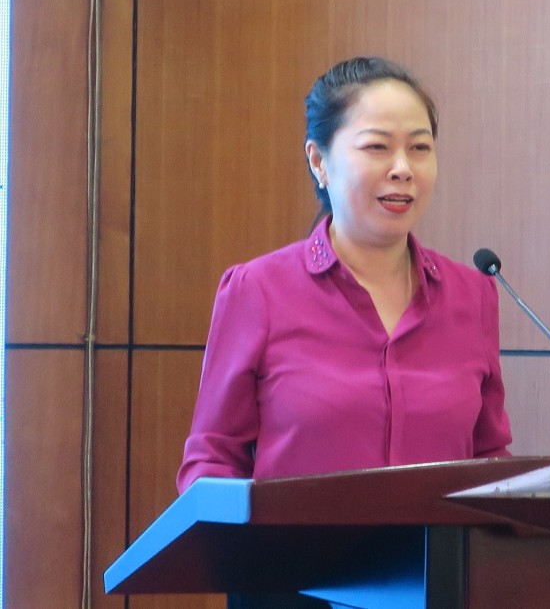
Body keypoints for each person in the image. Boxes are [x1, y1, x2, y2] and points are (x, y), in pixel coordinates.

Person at [176, 57, 513, 608]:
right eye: (377, 147)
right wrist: (248, 550)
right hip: (291, 591)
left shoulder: (472, 295)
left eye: (420, 147)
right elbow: (212, 459)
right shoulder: (258, 290)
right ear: (319, 161)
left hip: (438, 587)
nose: (402, 168)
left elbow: (490, 455)